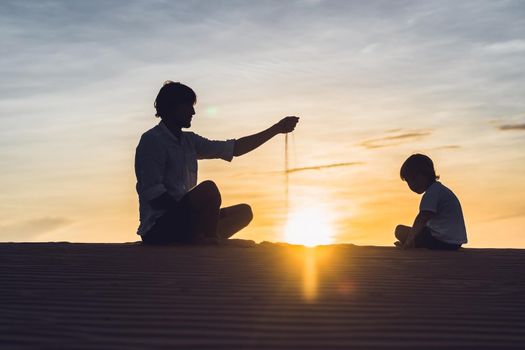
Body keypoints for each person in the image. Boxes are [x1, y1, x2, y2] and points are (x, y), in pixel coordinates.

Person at [135, 81, 299, 245]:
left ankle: (201, 238)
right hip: (159, 229)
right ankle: (209, 241)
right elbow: (154, 194)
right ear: (173, 107)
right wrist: (195, 215)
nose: (193, 112)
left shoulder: (190, 141)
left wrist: (276, 129)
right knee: (208, 189)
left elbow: (235, 148)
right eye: (188, 106)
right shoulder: (152, 141)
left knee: (243, 212)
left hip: (185, 220)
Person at [394, 154, 467, 250]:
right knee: (417, 231)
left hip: (442, 241)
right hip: (454, 243)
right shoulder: (439, 190)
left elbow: (423, 217)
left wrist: (410, 239)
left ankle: (412, 244)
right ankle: (415, 243)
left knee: (400, 230)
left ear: (423, 175)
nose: (411, 185)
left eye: (412, 180)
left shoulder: (431, 193)